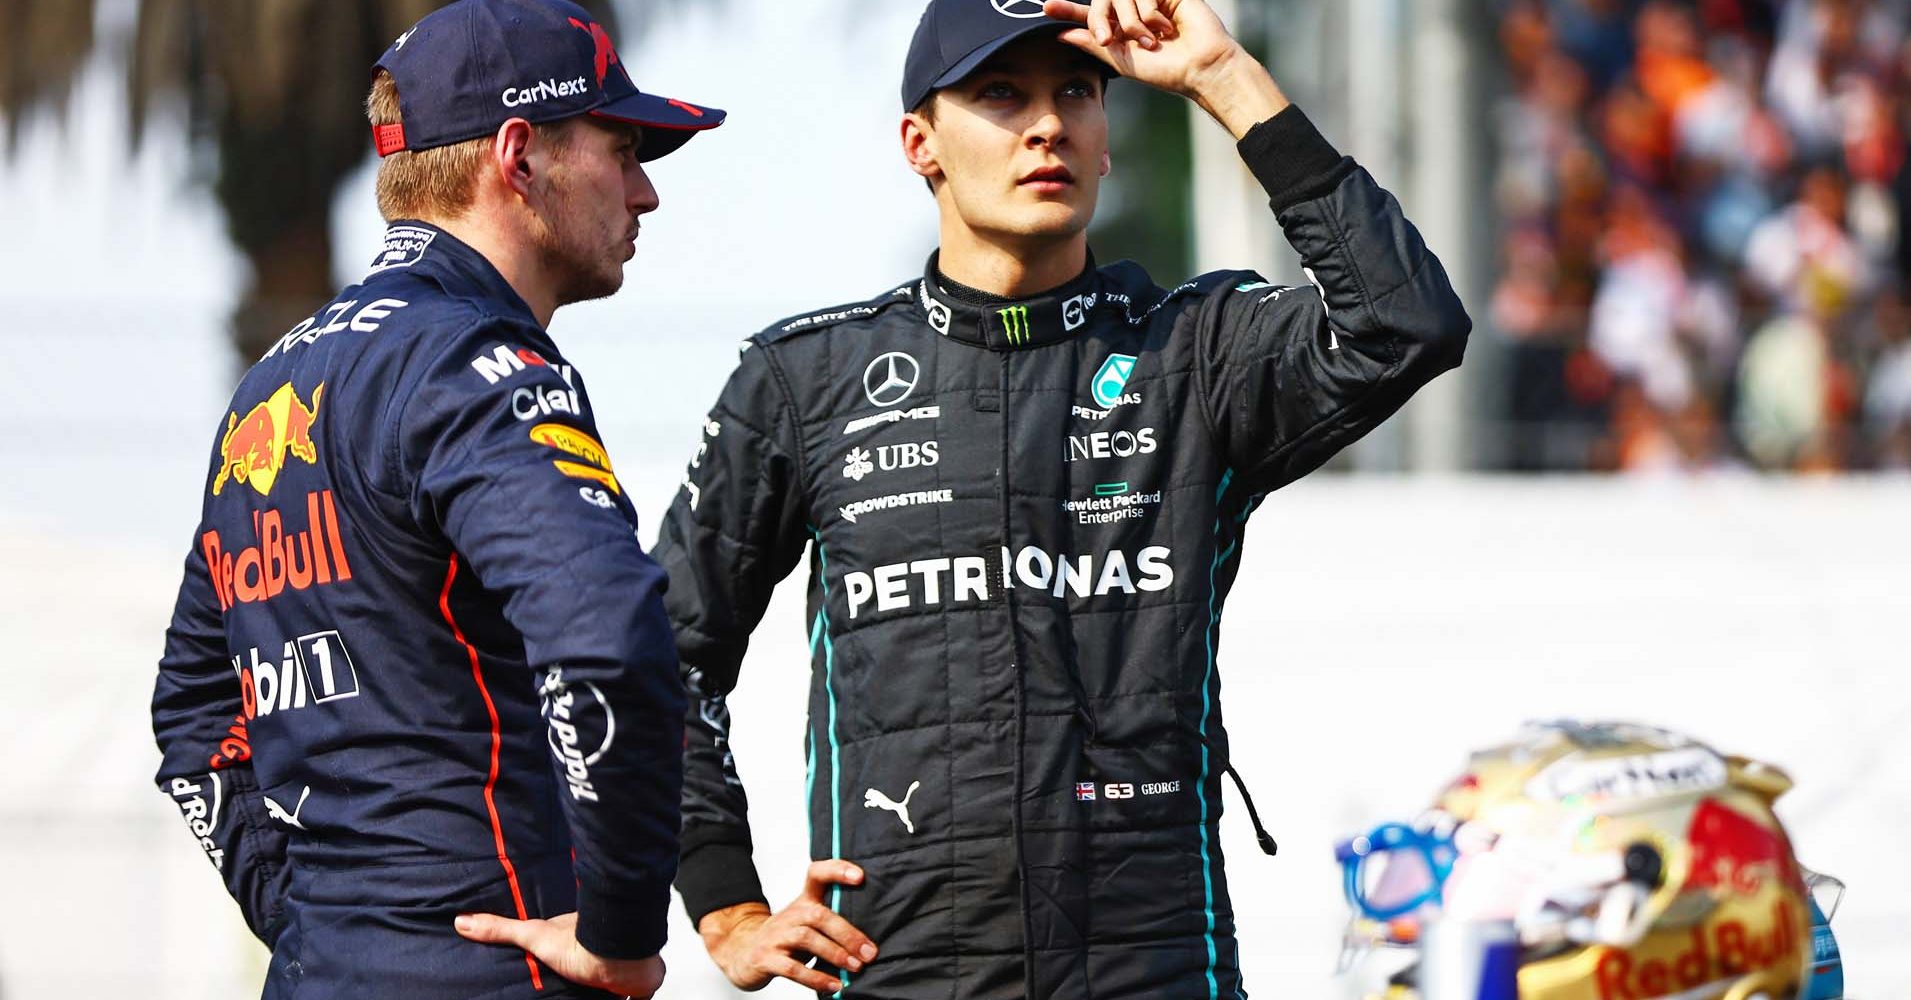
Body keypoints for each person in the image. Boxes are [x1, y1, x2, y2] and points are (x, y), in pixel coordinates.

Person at [654, 0, 1470, 996]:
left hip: (1155, 971)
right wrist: (724, 900)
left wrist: (1224, 78)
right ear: (921, 143)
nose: (1050, 124)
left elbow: (1408, 323)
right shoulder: (805, 378)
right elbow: (663, 655)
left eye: (1076, 93)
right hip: (906, 972)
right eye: (1003, 94)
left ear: (1107, 140)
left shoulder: (1194, 351)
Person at [148, 1, 722, 996]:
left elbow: (196, 717)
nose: (644, 192)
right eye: (622, 147)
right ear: (518, 154)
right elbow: (610, 641)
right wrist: (623, 928)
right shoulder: (473, 360)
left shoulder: (272, 387)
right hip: (499, 968)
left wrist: (308, 918)